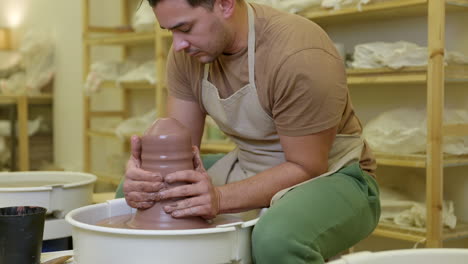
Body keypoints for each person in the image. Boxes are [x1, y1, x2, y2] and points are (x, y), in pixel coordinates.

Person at [122, 0, 380, 263]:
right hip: (248, 162)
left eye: (185, 28)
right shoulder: (188, 54)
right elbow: (178, 150)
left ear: (225, 4)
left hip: (333, 173)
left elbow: (308, 166)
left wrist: (219, 198)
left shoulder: (298, 53)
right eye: (170, 32)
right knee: (133, 197)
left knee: (277, 239)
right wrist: (145, 175)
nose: (178, 45)